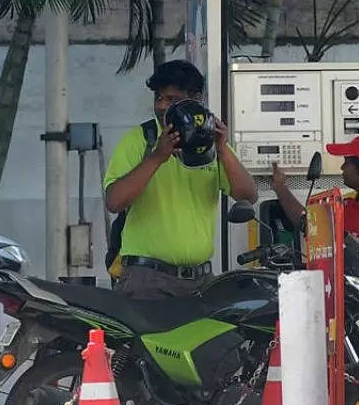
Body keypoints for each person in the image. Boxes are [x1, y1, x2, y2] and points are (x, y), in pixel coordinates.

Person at [103, 60, 258, 299]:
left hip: (201, 281)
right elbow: (114, 202)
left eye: (172, 100)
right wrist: (157, 157)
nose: (163, 106)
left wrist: (223, 150)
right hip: (148, 279)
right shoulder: (140, 140)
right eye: (159, 98)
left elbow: (247, 195)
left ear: (196, 99)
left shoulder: (210, 142)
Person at [269, 133, 359, 336]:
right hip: (338, 307)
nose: (343, 168)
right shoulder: (345, 203)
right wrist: (280, 189)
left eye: (347, 162)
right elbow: (308, 224)